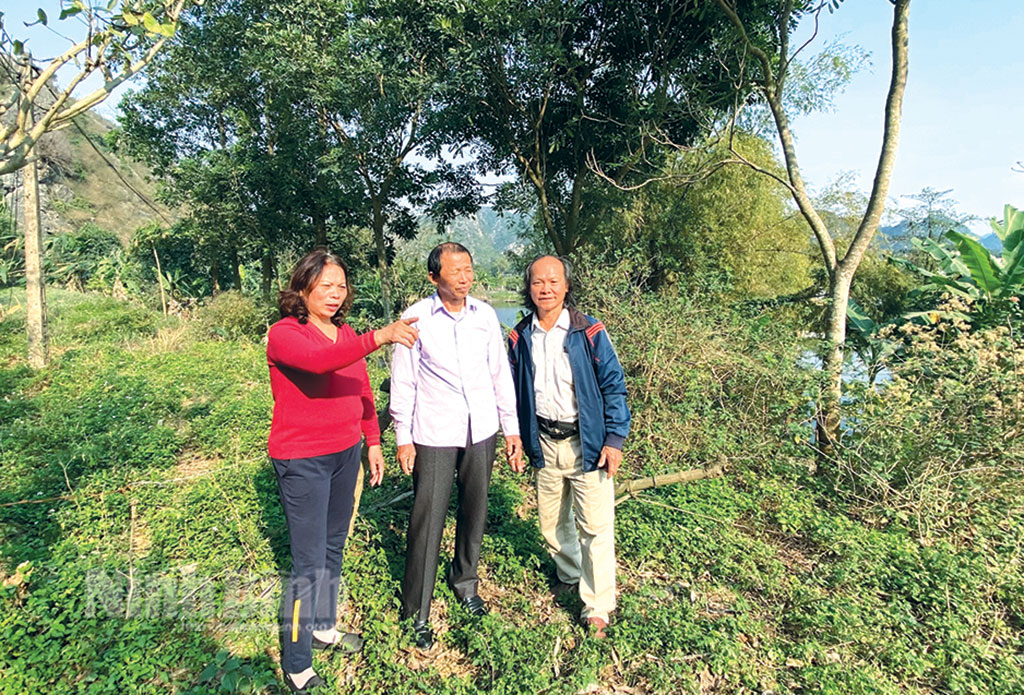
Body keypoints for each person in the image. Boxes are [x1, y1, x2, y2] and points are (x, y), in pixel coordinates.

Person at [266, 248, 419, 693]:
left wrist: (372, 441)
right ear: (303, 287)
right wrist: (382, 335)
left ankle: (323, 626)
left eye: (341, 286)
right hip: (302, 460)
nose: (335, 294)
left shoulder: (345, 333)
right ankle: (296, 661)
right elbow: (319, 364)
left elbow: (361, 390)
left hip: (344, 455)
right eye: (325, 286)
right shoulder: (285, 334)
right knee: (307, 561)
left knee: (333, 547)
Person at [390, 242, 523, 650]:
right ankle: (417, 610)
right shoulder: (416, 318)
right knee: (427, 516)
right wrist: (402, 436)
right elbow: (404, 378)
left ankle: (465, 582)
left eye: (468, 269)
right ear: (434, 278)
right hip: (434, 431)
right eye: (455, 271)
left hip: (480, 428)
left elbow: (499, 375)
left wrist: (511, 429)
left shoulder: (483, 316)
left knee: (474, 509)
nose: (465, 278)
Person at [507, 255, 630, 639]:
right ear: (528, 289)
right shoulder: (519, 337)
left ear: (566, 286)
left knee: (595, 526)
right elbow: (509, 391)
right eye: (537, 282)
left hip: (587, 442)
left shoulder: (589, 332)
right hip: (544, 442)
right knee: (551, 522)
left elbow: (613, 385)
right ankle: (570, 574)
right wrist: (515, 438)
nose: (545, 288)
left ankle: (597, 605)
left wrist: (614, 439)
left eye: (553, 281)